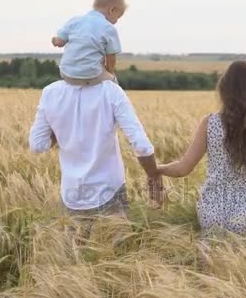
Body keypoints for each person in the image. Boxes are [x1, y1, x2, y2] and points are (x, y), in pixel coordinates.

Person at [158, 60, 246, 239]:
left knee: (210, 260)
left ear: (224, 89)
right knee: (245, 264)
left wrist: (156, 169)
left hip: (211, 209)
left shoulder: (209, 123)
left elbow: (183, 168)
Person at [28, 77, 164, 220]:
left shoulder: (50, 92)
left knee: (72, 242)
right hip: (110, 193)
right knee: (113, 242)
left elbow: (37, 145)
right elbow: (141, 145)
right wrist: (153, 175)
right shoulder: (110, 90)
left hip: (71, 196)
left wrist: (62, 127)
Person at [51, 0, 126, 85]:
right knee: (113, 83)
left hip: (66, 73)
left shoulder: (75, 21)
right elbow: (111, 58)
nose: (116, 22)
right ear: (112, 10)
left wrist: (55, 40)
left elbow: (59, 42)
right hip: (91, 76)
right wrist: (109, 73)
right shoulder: (109, 28)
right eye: (117, 17)